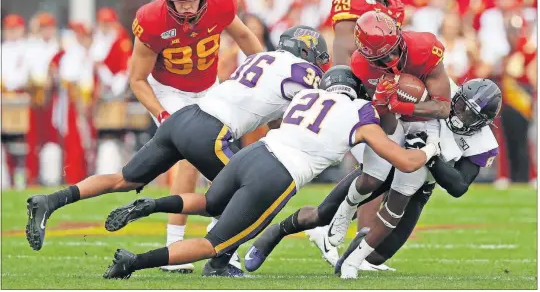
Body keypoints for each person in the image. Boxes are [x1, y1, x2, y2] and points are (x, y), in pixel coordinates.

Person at [24, 25, 327, 275]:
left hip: (185, 118)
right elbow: (315, 107)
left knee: (123, 179)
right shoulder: (302, 71)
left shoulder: (259, 59)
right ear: (305, 52)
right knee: (246, 194)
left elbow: (266, 103)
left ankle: (50, 200)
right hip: (212, 132)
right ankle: (221, 260)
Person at [101, 65, 440, 279]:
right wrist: (430, 147)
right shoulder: (361, 114)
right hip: (277, 174)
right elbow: (406, 162)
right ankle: (135, 262)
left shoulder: (307, 95)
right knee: (213, 245)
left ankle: (151, 205)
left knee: (210, 203)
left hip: (254, 153)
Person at [247, 10, 451, 274]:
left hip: (428, 123)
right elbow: (386, 126)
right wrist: (383, 103)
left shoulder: (424, 47)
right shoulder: (361, 65)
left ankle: (357, 260)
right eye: (382, 57)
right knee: (371, 179)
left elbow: (443, 109)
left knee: (405, 193)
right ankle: (336, 215)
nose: (391, 60)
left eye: (393, 51)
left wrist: (402, 104)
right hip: (391, 121)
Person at [127, 0, 263, 273]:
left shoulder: (221, 0)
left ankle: (222, 241)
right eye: (179, 0)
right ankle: (177, 243)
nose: (187, 7)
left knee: (227, 160)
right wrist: (160, 113)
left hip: (208, 86)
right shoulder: (151, 20)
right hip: (168, 91)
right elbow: (137, 79)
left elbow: (243, 37)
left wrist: (265, 66)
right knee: (194, 155)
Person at [334, 78, 502, 275]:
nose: (461, 114)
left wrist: (429, 156)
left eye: (471, 116)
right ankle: (323, 223)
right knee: (358, 189)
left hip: (423, 180)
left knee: (379, 255)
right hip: (395, 154)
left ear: (484, 124)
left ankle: (361, 245)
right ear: (456, 95)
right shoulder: (441, 86)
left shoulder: (483, 143)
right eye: (462, 105)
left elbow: (459, 186)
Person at [328, 0, 406, 255]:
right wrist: (347, 85)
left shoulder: (396, 5)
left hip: (381, 89)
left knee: (378, 168)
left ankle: (357, 242)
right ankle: (324, 225)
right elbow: (345, 46)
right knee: (372, 168)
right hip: (356, 88)